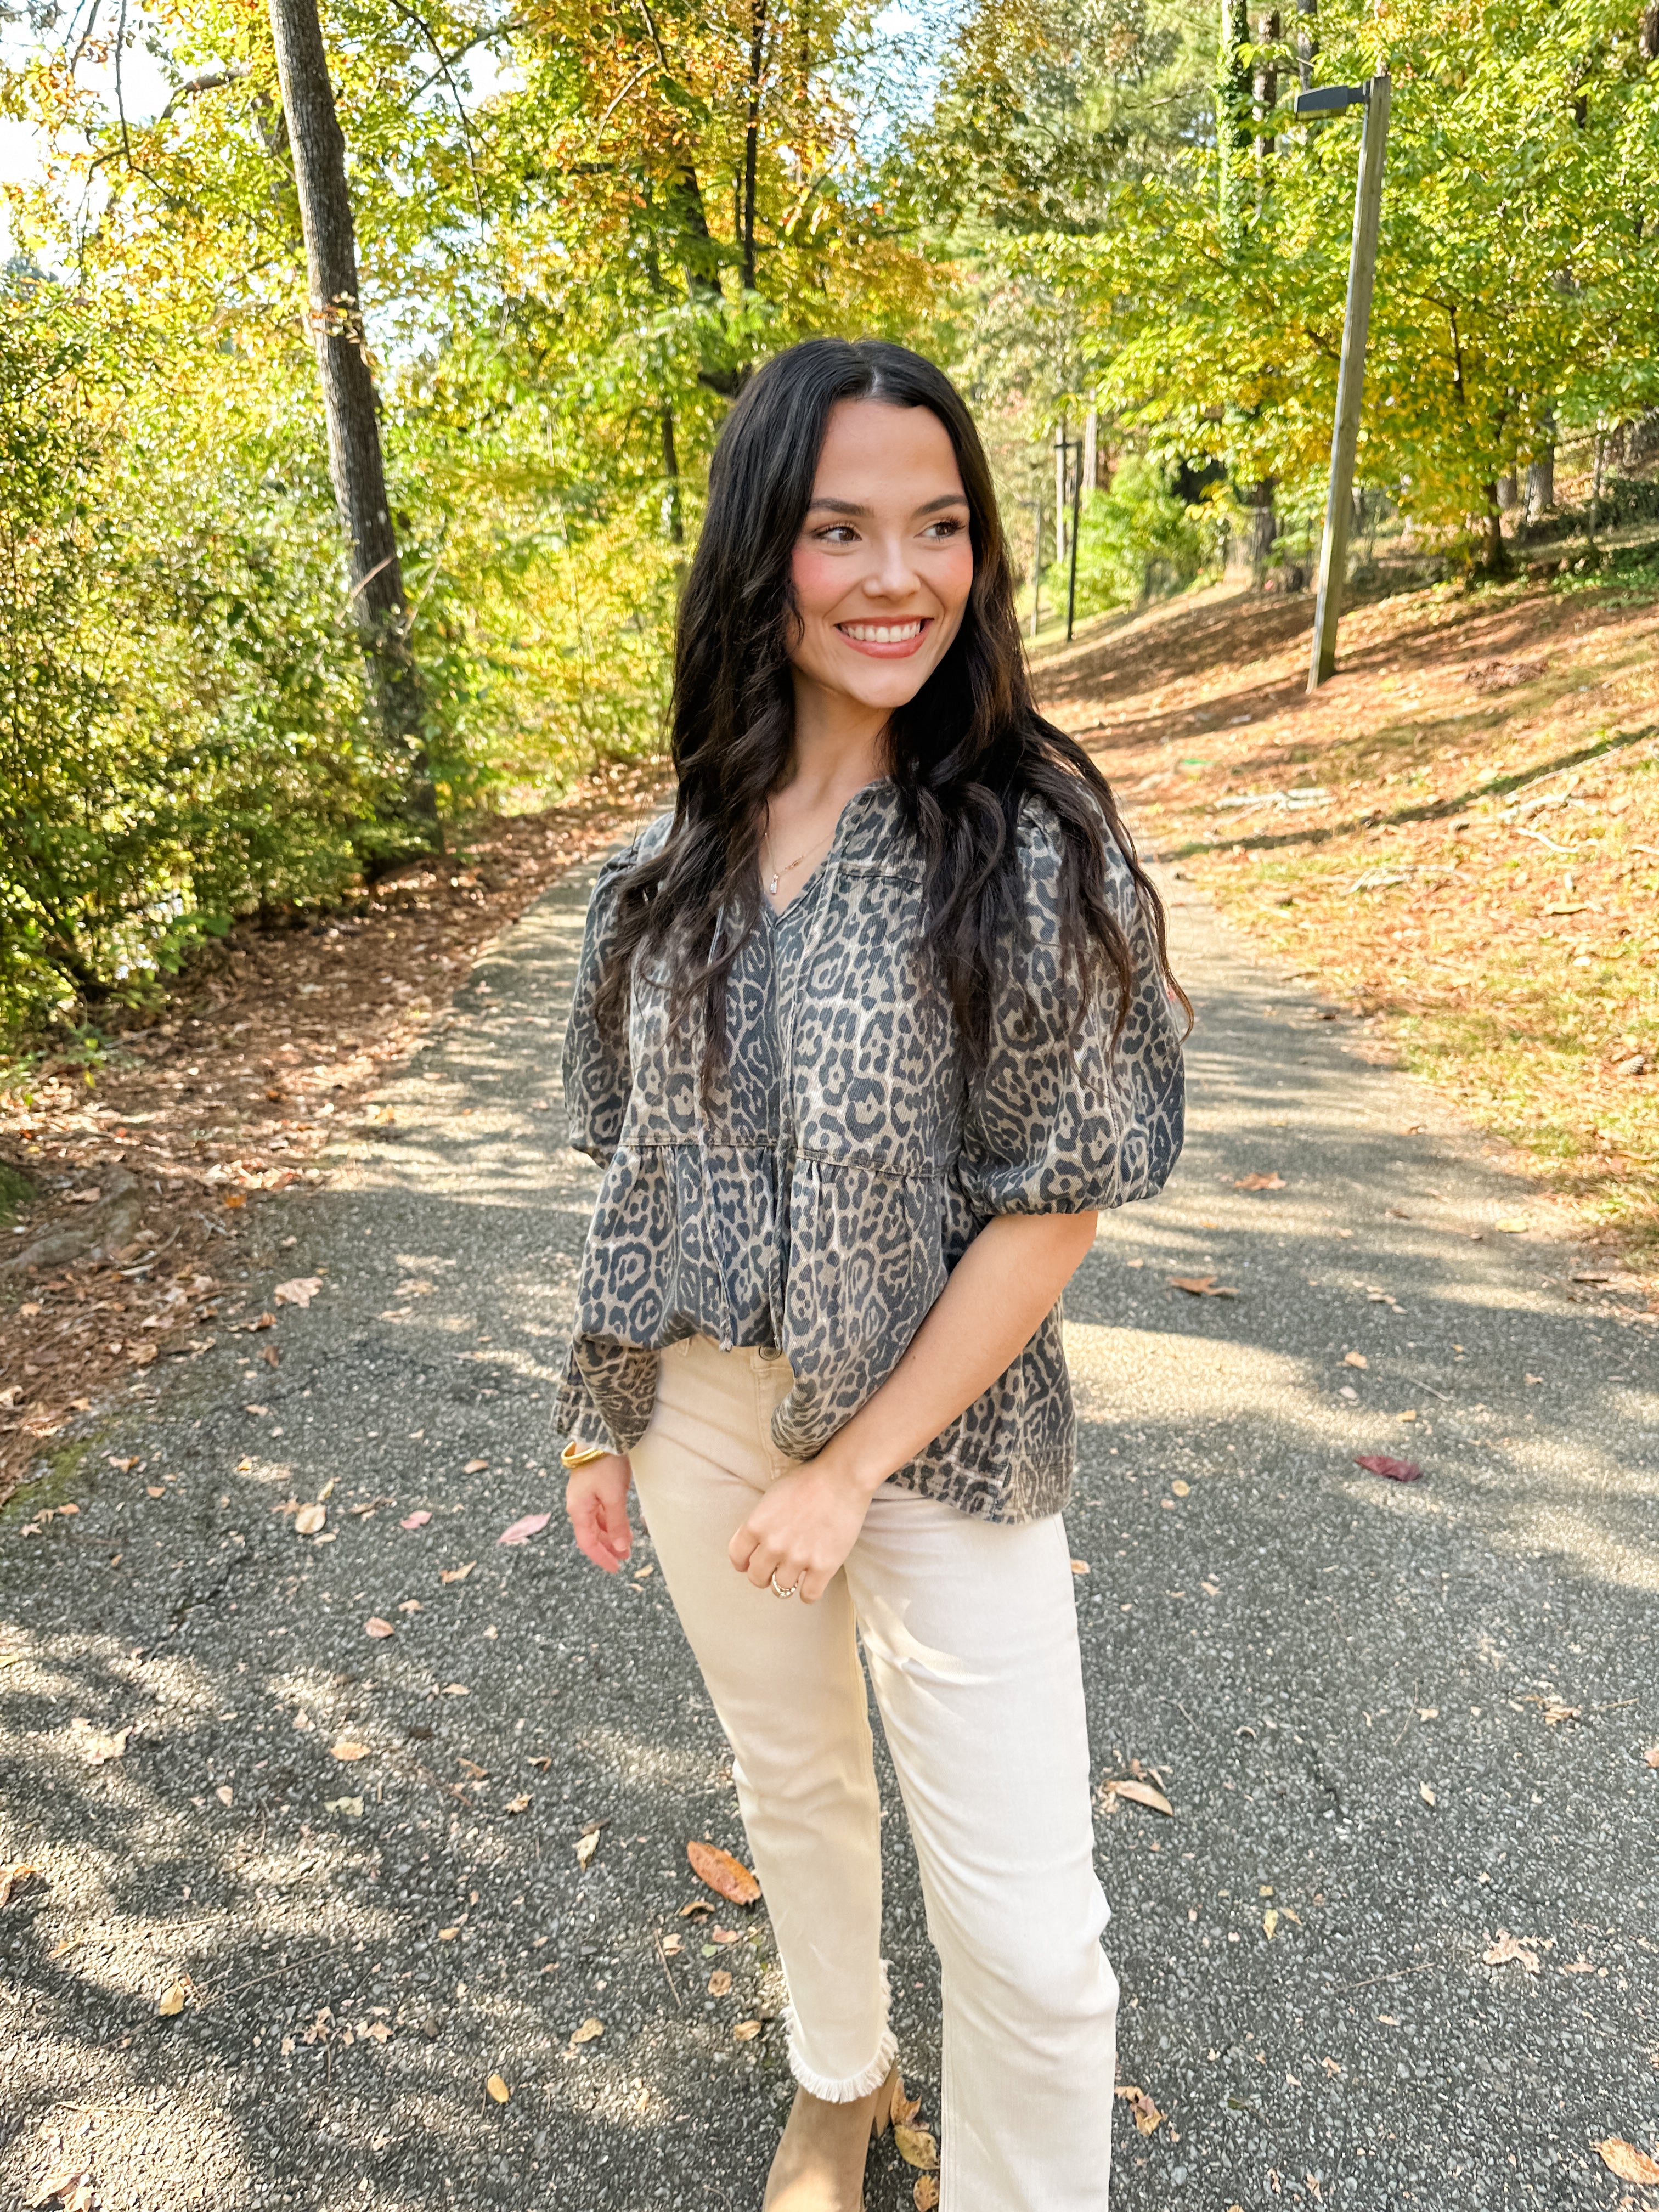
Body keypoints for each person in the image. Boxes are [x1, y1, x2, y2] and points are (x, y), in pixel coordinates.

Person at [557, 336, 1186, 2212]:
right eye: (841, 529)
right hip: (698, 1425)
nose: (898, 576)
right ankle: (841, 2076)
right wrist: (597, 1415)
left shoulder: (1031, 850)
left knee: (1036, 1947)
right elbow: (634, 1174)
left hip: (943, 1443)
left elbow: (1056, 1201)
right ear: (764, 553)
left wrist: (847, 1472)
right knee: (798, 1788)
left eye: (940, 527)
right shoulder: (658, 873)